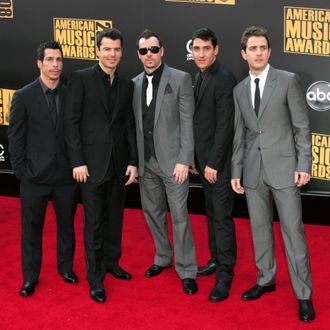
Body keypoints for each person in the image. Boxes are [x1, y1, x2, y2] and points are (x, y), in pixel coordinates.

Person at [231, 26, 315, 322]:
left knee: (293, 232)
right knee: (259, 230)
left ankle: (303, 295)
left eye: (263, 48)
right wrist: (236, 169)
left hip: (284, 169)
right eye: (252, 48)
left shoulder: (288, 81)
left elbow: (301, 127)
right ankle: (265, 278)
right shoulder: (239, 90)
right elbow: (239, 133)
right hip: (253, 172)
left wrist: (304, 164)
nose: (258, 53)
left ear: (269, 51)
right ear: (244, 54)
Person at [64, 28, 138, 303]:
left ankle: (111, 262)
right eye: (107, 49)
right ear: (97, 51)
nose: (112, 54)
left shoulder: (127, 85)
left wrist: (133, 161)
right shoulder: (81, 79)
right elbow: (70, 123)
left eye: (117, 49)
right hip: (90, 166)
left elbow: (128, 125)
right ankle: (95, 277)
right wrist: (78, 161)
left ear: (121, 52)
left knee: (114, 219)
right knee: (94, 223)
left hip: (118, 165)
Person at [8, 41, 79, 297]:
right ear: (39, 63)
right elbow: (15, 139)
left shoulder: (70, 93)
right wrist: (22, 173)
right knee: (31, 230)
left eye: (59, 60)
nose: (55, 65)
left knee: (67, 227)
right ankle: (30, 277)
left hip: (65, 178)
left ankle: (66, 268)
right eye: (49, 60)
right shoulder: (23, 96)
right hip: (34, 178)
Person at [132, 29, 198, 295]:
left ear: (162, 51)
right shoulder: (134, 83)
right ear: (138, 55)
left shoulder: (181, 78)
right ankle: (162, 256)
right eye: (144, 51)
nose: (150, 55)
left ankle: (187, 269)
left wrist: (185, 159)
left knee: (180, 216)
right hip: (145, 162)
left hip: (174, 163)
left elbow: (187, 122)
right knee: (153, 213)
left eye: (154, 49)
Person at [190, 28, 237, 302]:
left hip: (218, 166)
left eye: (206, 49)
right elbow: (201, 124)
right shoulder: (200, 75)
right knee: (211, 215)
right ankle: (216, 261)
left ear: (216, 49)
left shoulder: (223, 78)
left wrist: (213, 163)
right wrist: (198, 160)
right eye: (196, 49)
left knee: (222, 219)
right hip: (205, 163)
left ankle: (225, 276)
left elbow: (224, 127)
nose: (201, 54)